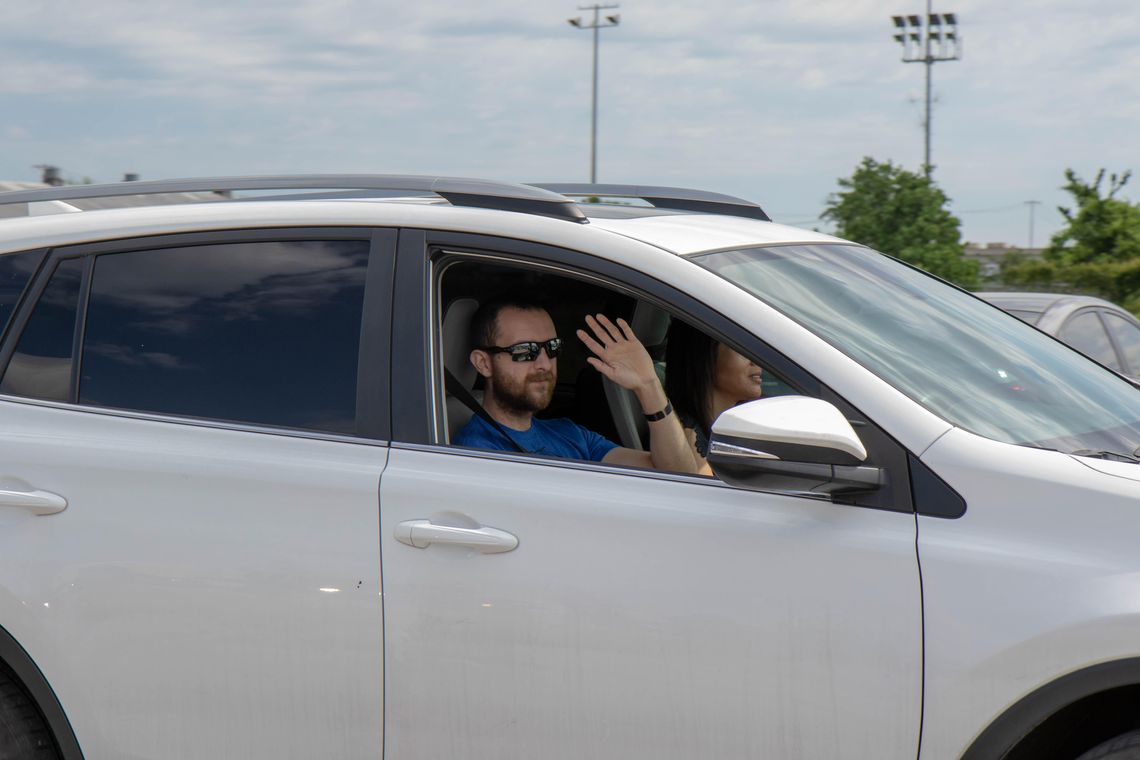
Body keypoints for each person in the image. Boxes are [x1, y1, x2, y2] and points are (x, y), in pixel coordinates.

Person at [454, 296, 700, 473]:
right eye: (525, 351)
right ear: (483, 363)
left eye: (552, 348)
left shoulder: (570, 433)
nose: (544, 363)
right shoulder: (477, 453)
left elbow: (678, 474)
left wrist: (648, 384)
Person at [664, 319, 764, 475]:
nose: (756, 359)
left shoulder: (752, 418)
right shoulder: (686, 435)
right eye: (741, 348)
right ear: (704, 356)